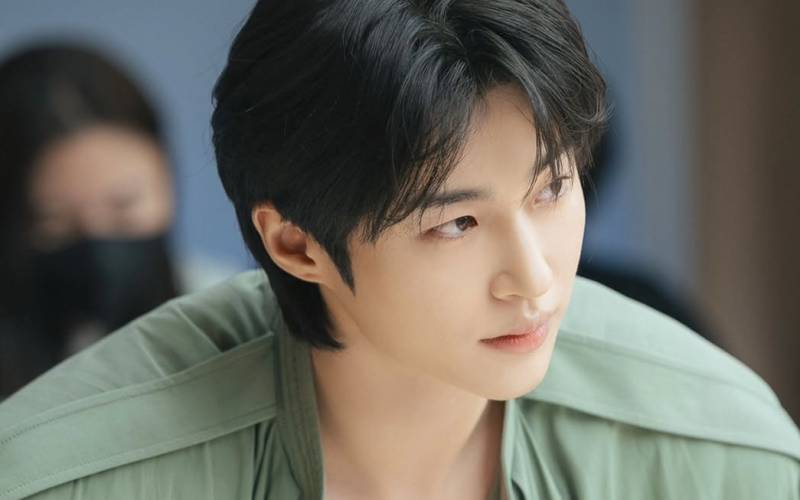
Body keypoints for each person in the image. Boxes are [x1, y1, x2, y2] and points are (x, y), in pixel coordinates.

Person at [1, 1, 798, 499]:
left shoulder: (715, 455)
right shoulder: (77, 477)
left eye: (552, 188)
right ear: (296, 244)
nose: (536, 279)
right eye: (457, 224)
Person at [0, 44, 233, 397]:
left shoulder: (234, 321)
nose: (97, 237)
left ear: (167, 181)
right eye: (52, 220)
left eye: (125, 207)